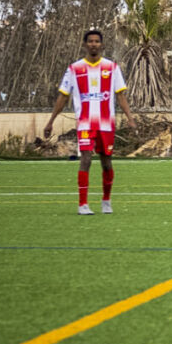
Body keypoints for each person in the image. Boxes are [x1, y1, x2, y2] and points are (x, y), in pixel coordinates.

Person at [43, 29, 134, 215]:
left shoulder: (112, 67)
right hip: (85, 123)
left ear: (102, 45)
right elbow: (63, 97)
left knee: (106, 162)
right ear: (85, 44)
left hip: (106, 124)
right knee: (85, 159)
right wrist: (50, 121)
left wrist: (130, 118)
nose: (93, 44)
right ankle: (83, 204)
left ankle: (106, 201)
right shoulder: (74, 69)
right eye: (90, 41)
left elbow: (121, 96)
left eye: (96, 41)